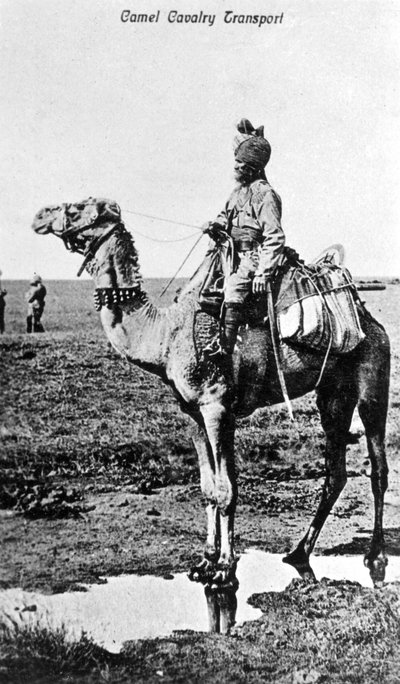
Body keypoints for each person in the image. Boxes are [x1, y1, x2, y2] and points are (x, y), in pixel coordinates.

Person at [202, 118, 286, 354]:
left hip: (253, 255)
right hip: (231, 254)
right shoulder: (236, 192)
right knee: (203, 286)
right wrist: (215, 226)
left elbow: (275, 237)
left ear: (253, 168)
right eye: (236, 162)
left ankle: (225, 350)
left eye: (241, 164)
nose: (237, 168)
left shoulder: (265, 195)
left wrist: (263, 272)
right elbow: (224, 215)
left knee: (234, 287)